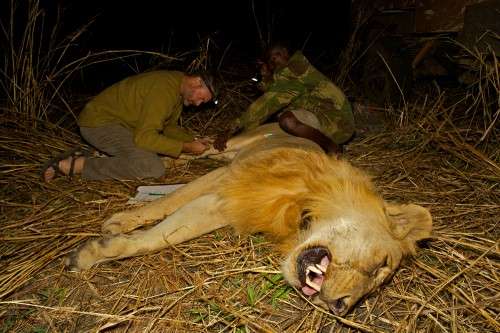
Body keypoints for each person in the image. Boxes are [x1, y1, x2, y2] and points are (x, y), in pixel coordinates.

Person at [42, 70, 218, 181]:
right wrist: (186, 147)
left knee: (150, 153)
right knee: (151, 167)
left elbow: (168, 127)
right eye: (201, 98)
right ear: (196, 81)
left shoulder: (176, 89)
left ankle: (98, 153)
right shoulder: (164, 88)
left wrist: (193, 139)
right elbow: (145, 138)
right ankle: (78, 165)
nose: (198, 104)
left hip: (121, 126)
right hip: (99, 124)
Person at [215, 43, 354, 155]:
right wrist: (265, 77)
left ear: (285, 52)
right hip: (323, 117)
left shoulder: (294, 69)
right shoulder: (292, 72)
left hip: (336, 123)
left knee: (287, 121)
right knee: (277, 130)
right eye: (269, 62)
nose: (272, 64)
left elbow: (268, 103)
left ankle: (332, 148)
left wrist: (231, 129)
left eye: (274, 58)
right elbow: (277, 94)